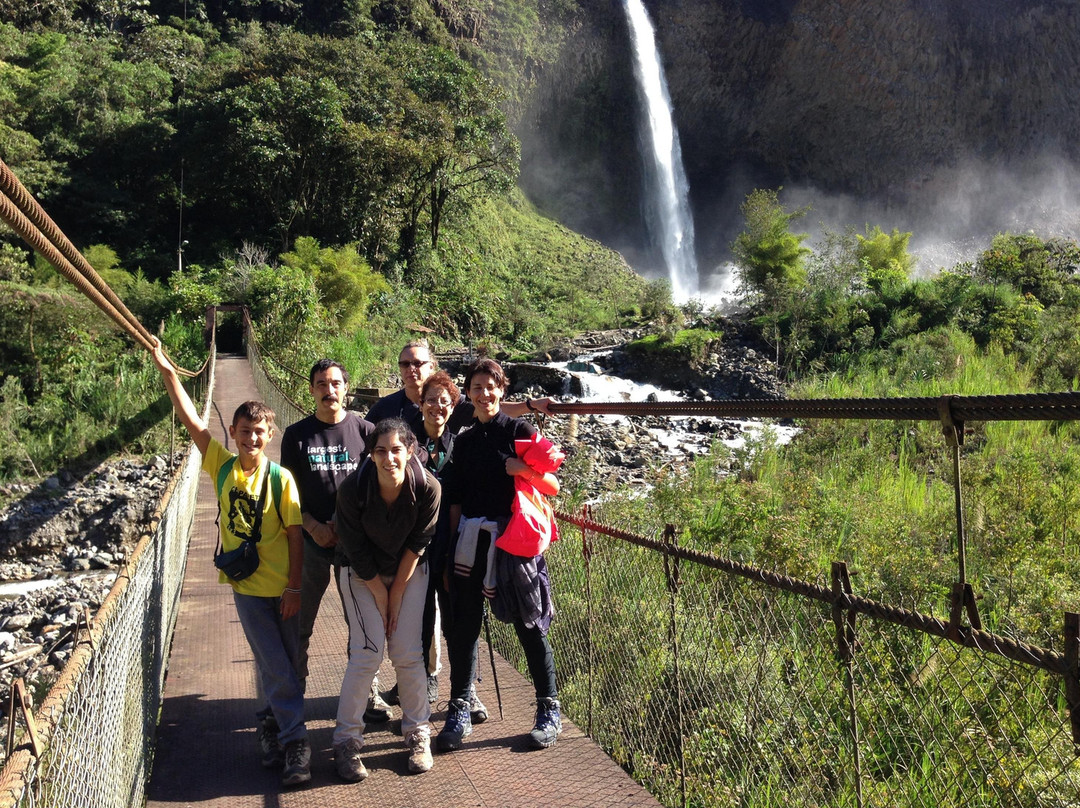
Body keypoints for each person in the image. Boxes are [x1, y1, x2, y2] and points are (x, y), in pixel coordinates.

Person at [148, 338, 311, 787]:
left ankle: (270, 724)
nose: (252, 438)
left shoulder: (282, 478)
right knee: (276, 664)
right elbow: (191, 419)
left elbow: (297, 539)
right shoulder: (220, 464)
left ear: (269, 436)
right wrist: (169, 373)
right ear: (234, 433)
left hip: (284, 587)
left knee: (283, 663)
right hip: (247, 588)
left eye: (260, 432)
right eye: (244, 430)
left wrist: (296, 587)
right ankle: (297, 743)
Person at [436, 358, 562, 753]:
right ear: (468, 394)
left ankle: (548, 709)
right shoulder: (466, 439)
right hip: (472, 541)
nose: (484, 393)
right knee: (464, 624)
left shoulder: (520, 430)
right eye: (477, 387)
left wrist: (521, 469)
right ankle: (459, 707)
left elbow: (553, 484)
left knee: (528, 623)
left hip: (513, 540)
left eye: (491, 386)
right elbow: (454, 498)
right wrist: (450, 549)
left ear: (502, 390)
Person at [278, 360, 391, 723]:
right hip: (309, 544)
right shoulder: (296, 436)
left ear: (346, 387)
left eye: (336, 383)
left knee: (362, 624)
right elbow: (288, 495)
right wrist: (312, 526)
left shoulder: (367, 431)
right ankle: (293, 694)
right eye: (321, 384)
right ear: (311, 390)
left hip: (354, 545)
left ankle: (367, 694)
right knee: (299, 624)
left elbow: (378, 487)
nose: (329, 390)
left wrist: (347, 526)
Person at [331, 418, 441, 779]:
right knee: (368, 653)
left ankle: (417, 732)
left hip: (408, 571)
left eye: (396, 450)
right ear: (371, 454)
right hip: (361, 573)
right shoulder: (353, 491)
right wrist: (382, 595)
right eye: (381, 451)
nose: (389, 458)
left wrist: (395, 597)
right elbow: (357, 554)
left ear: (410, 451)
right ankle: (347, 741)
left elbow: (416, 546)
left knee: (408, 652)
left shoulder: (428, 488)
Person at [366, 339, 550, 440]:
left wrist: (531, 405)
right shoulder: (386, 407)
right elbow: (359, 436)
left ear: (432, 366)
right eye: (405, 364)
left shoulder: (450, 403)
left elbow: (489, 408)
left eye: (417, 363)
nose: (411, 369)